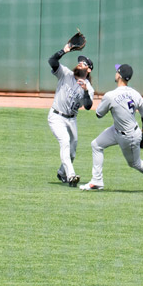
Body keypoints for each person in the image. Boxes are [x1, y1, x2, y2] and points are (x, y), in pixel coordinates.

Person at [79, 63, 143, 193]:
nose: (115, 73)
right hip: (117, 130)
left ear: (119, 75)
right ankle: (96, 181)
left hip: (129, 136)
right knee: (96, 145)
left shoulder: (110, 95)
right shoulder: (135, 93)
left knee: (135, 164)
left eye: (117, 71)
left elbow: (99, 115)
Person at [47, 40, 94, 188]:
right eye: (79, 62)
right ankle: (71, 175)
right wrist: (64, 50)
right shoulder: (65, 74)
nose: (80, 64)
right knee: (65, 142)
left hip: (71, 120)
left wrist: (86, 91)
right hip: (56, 116)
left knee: (72, 152)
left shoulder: (89, 87)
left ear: (89, 70)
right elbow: (52, 61)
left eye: (83, 63)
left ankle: (62, 173)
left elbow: (87, 106)